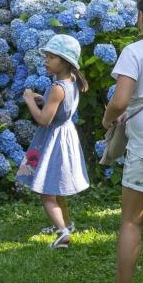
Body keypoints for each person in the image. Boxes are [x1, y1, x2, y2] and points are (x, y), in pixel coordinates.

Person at [99, 0, 143, 283]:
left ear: (142, 16)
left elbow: (120, 101)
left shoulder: (134, 52)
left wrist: (109, 119)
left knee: (132, 221)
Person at [16, 34, 90, 249]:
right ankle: (66, 222)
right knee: (57, 188)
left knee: (46, 191)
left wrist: (30, 101)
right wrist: (44, 99)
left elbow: (43, 119)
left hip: (51, 141)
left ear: (64, 61)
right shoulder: (71, 82)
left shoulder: (57, 88)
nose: (45, 61)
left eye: (51, 57)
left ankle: (63, 233)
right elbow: (59, 107)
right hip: (64, 136)